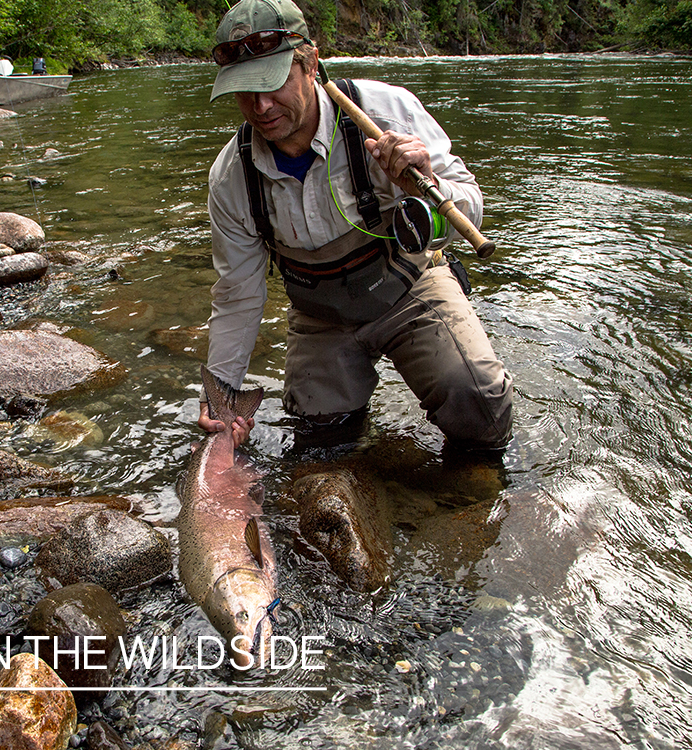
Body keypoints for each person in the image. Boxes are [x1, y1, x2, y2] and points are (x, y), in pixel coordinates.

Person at [197, 0, 513, 451]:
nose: (261, 106)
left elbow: (473, 212)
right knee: (321, 439)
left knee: (479, 408)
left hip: (410, 286)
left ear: (311, 65)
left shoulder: (388, 110)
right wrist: (220, 392)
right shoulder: (231, 176)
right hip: (321, 316)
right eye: (245, 91)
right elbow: (237, 292)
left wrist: (426, 185)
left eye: (273, 84)